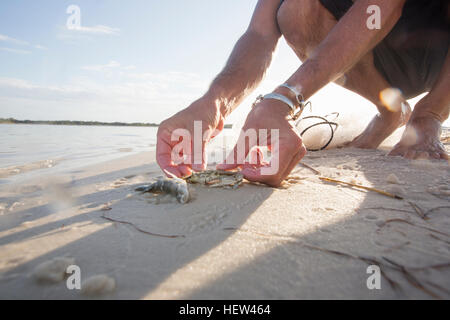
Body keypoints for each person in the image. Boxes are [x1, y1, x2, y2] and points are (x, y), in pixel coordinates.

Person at [156, 0, 450, 187]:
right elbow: (258, 36)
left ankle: (429, 114)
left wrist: (283, 99)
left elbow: (383, 6)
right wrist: (214, 101)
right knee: (294, 9)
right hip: (373, 53)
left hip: (434, 46)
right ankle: (391, 109)